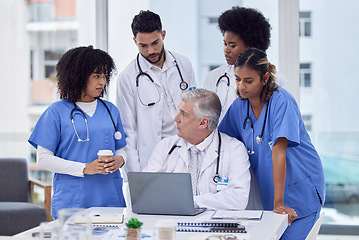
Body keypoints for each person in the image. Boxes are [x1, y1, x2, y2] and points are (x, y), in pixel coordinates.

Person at [218, 48, 325, 239]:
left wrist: (278, 203)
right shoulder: (239, 107)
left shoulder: (281, 101)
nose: (241, 86)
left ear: (265, 78)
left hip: (300, 191)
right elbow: (221, 143)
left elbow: (278, 151)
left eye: (248, 81)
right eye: (237, 79)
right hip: (270, 196)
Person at [28, 46, 127, 219]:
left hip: (109, 198)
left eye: (104, 76)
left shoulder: (111, 110)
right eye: (96, 76)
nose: (102, 82)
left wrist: (121, 159)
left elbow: (121, 148)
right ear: (79, 76)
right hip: (72, 201)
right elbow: (43, 159)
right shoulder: (56, 112)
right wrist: (84, 168)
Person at [116, 10, 196, 173]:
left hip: (184, 152)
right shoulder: (127, 78)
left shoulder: (183, 64)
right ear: (134, 41)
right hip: (150, 159)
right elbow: (127, 131)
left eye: (155, 43)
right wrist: (134, 176)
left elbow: (195, 109)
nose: (151, 51)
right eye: (143, 46)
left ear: (163, 35)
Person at [144, 89, 250, 210]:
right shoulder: (166, 147)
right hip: (173, 223)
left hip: (214, 226)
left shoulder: (234, 149)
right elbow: (147, 193)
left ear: (203, 122)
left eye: (183, 114)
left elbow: (239, 198)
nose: (176, 118)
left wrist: (188, 201)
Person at [203, 6, 289, 121]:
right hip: (224, 138)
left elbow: (284, 120)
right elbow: (206, 120)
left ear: (250, 46)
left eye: (232, 45)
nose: (226, 50)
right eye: (225, 44)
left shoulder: (276, 80)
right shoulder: (214, 78)